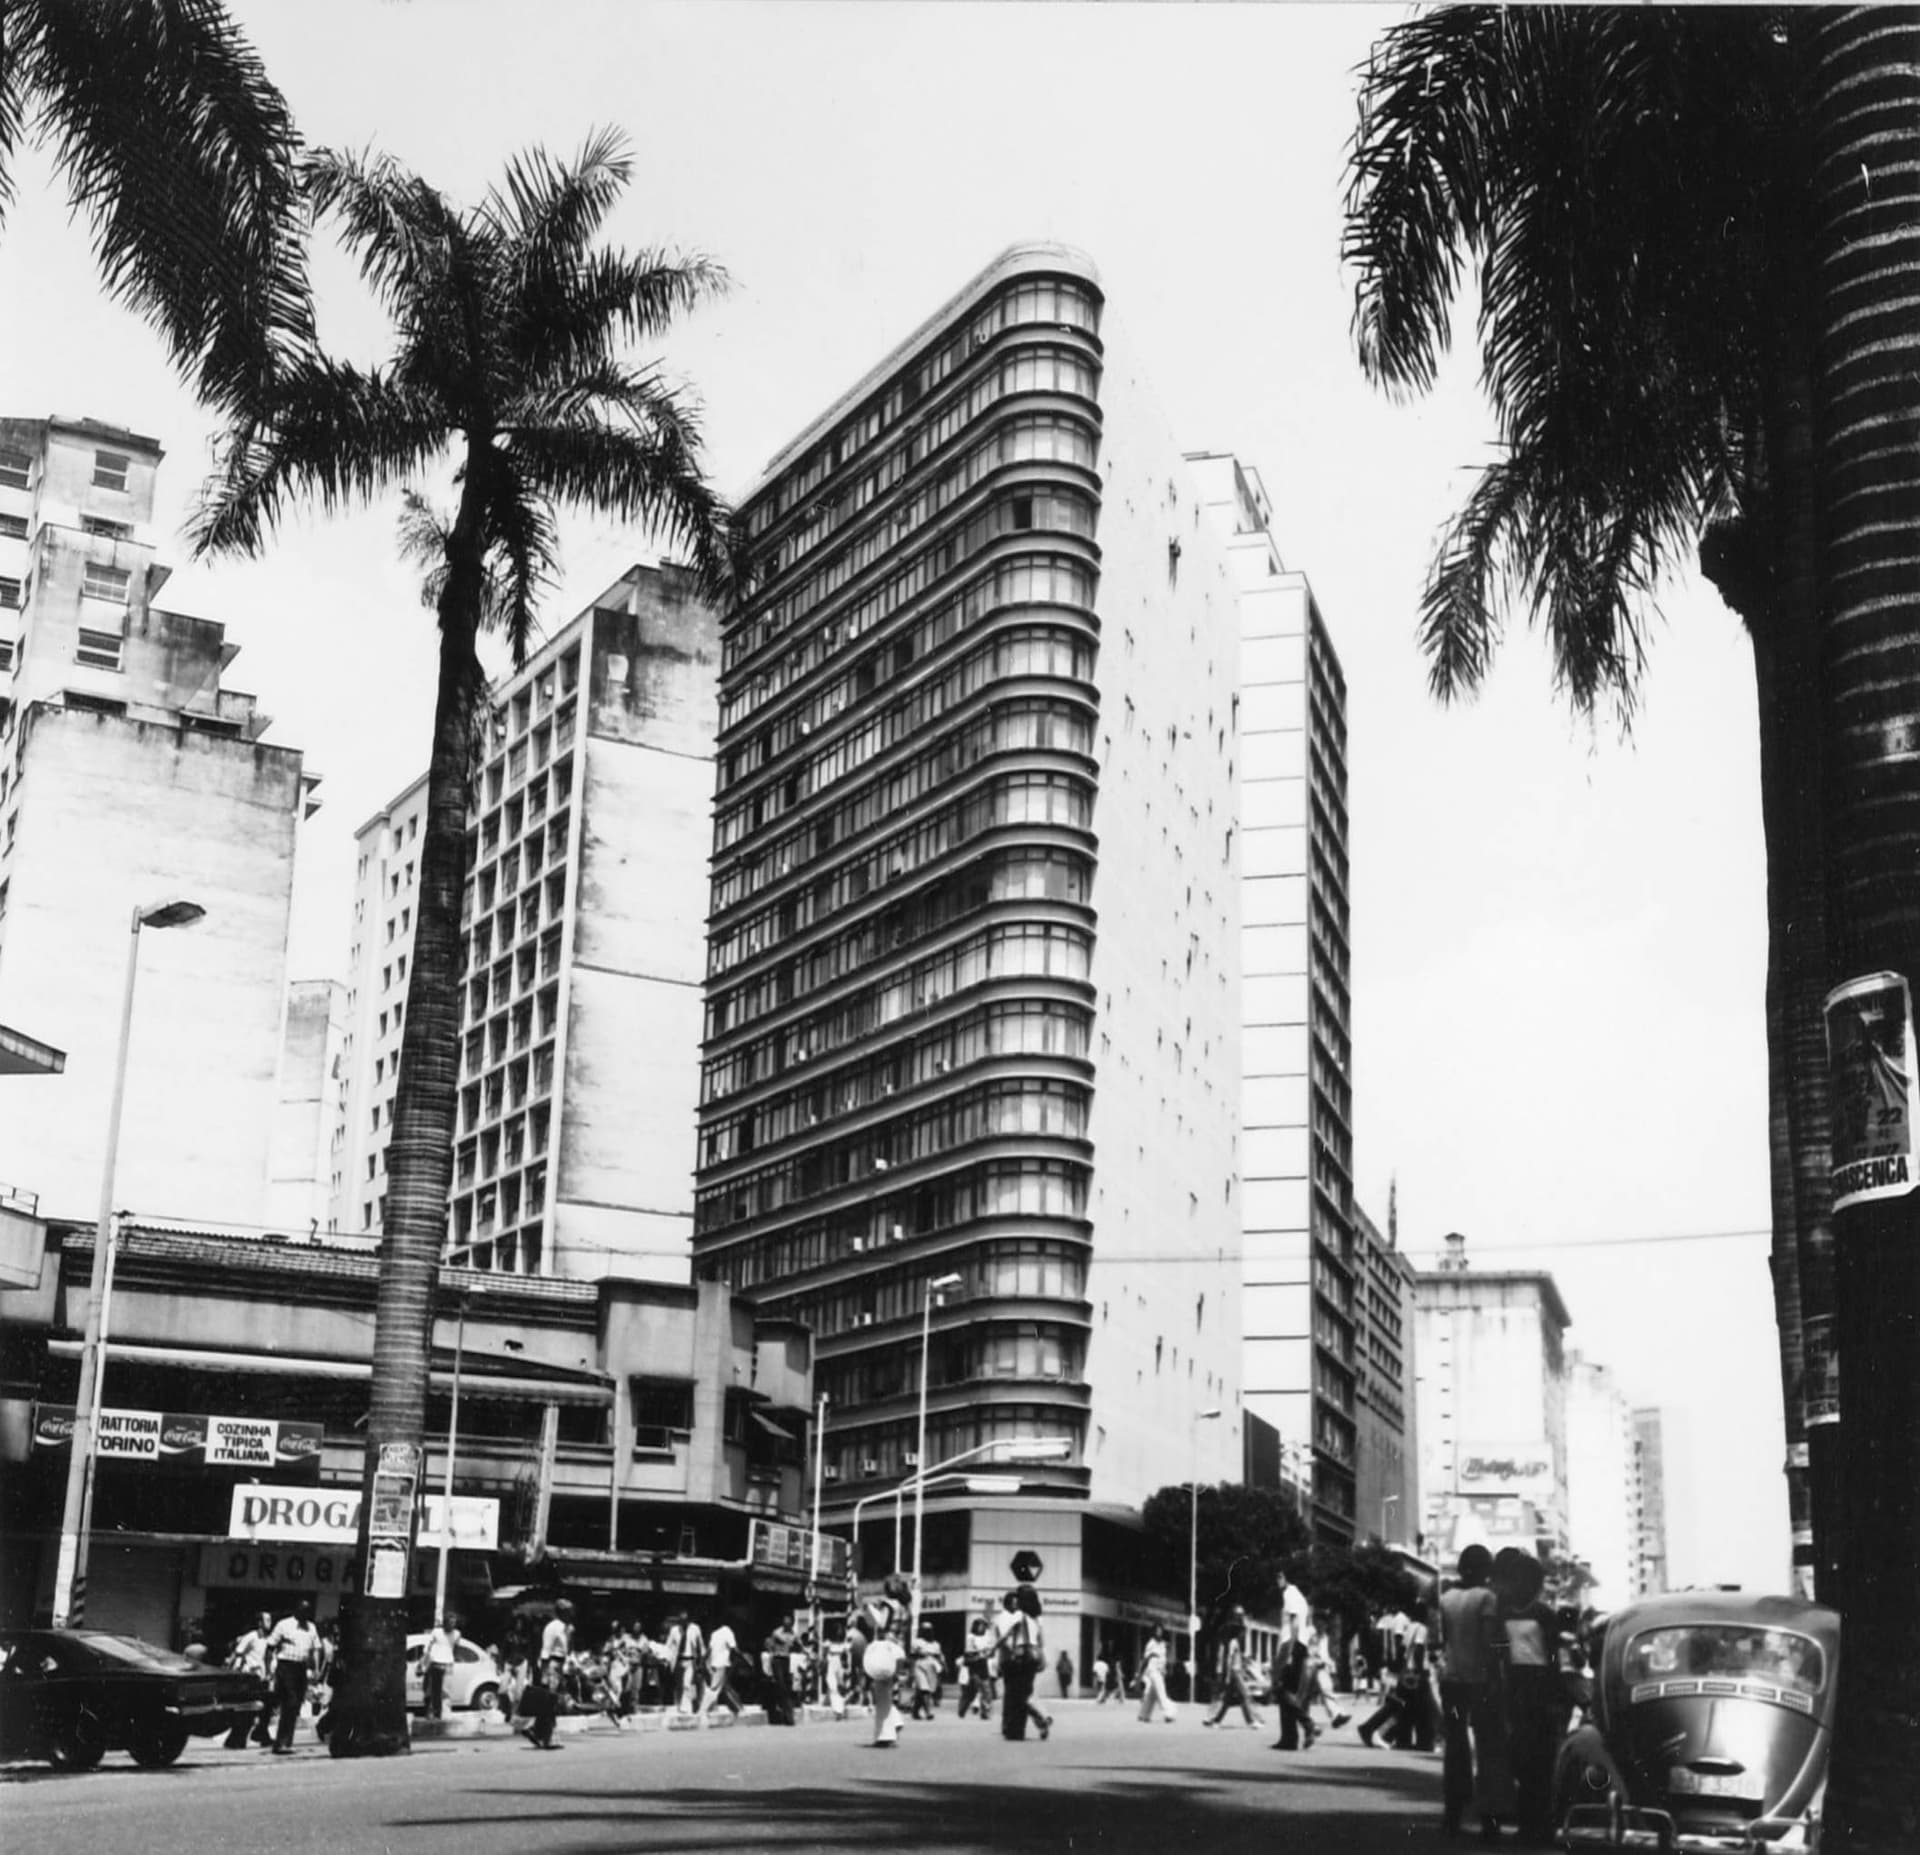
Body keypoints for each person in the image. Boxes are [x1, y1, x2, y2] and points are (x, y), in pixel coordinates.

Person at [1437, 1545, 1515, 1840]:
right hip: (1481, 1682)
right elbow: (1489, 1643)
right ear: (1486, 1571)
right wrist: (1498, 1675)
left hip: (1452, 1681)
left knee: (1455, 1746)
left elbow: (1445, 1640)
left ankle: (1452, 1813)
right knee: (1488, 1748)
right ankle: (1489, 1818)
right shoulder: (1487, 1598)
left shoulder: (1447, 1599)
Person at [1494, 1549, 1563, 1845]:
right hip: (1539, 1691)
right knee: (1540, 1761)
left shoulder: (1504, 1612)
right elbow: (1553, 1659)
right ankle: (1541, 1825)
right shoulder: (1544, 1614)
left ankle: (1529, 1823)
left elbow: (1498, 1655)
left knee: (1524, 1760)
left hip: (1516, 1689)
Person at [858, 1575, 912, 1747]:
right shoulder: (906, 1609)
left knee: (881, 1693)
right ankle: (895, 1720)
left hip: (885, 1649)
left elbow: (881, 1624)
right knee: (888, 1690)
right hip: (899, 1650)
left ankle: (885, 1735)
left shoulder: (888, 1605)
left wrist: (871, 1610)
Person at [994, 1586, 1052, 1741]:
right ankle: (1029, 1724)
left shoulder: (1018, 1615)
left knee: (1016, 1695)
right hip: (1033, 1657)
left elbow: (1006, 1636)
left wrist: (993, 1649)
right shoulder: (1038, 1618)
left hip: (1020, 1657)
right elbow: (1041, 1641)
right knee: (1025, 1691)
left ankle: (1027, 1725)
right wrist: (1042, 1657)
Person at [264, 1600, 320, 1755]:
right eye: (303, 1610)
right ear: (296, 1610)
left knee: (295, 1706)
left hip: (300, 1668)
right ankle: (280, 1743)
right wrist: (269, 1670)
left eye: (308, 1611)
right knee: (290, 1701)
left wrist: (315, 1669)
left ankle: (286, 1741)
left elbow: (315, 1649)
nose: (305, 1614)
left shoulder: (311, 1628)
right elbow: (270, 1647)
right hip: (286, 1667)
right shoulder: (284, 1625)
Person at [1202, 1608, 1265, 1729]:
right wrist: (1225, 1674)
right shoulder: (1232, 1639)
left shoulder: (1230, 1638)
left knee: (1227, 1700)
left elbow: (1228, 1657)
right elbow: (1228, 1658)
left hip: (1234, 1670)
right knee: (1244, 1694)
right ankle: (1252, 1721)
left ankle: (1215, 1720)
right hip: (1233, 1671)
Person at [226, 1611, 275, 1748]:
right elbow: (237, 1653)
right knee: (250, 1709)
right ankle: (236, 1739)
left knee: (266, 1708)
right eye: (267, 1620)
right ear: (259, 1622)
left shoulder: (269, 1639)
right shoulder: (251, 1637)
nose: (270, 1623)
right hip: (251, 1678)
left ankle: (261, 1733)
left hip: (264, 1678)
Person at [697, 1613, 743, 1719]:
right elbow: (734, 1648)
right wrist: (743, 1658)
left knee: (725, 1688)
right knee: (714, 1689)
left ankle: (739, 1709)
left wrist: (702, 1662)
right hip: (722, 1663)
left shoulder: (714, 1634)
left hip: (714, 1664)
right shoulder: (727, 1631)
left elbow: (709, 1650)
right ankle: (702, 1711)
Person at [1137, 1624, 1178, 1724]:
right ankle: (1169, 1714)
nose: (1159, 1632)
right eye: (1157, 1630)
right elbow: (1145, 1660)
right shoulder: (1151, 1644)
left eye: (1160, 1630)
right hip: (1153, 1671)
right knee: (1161, 1691)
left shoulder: (1163, 1644)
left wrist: (1165, 1669)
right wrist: (1139, 1674)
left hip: (1160, 1672)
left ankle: (1143, 1715)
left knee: (1152, 1695)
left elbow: (1164, 1659)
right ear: (1153, 1631)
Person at [420, 1618, 457, 1720]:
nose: (452, 1625)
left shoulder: (457, 1634)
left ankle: (443, 1713)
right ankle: (432, 1712)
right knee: (432, 1690)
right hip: (435, 1663)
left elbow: (456, 1648)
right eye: (451, 1623)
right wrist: (424, 1661)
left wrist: (452, 1658)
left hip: (448, 1664)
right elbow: (428, 1647)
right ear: (445, 1623)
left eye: (454, 1623)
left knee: (445, 1691)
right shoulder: (437, 1632)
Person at [540, 1600, 574, 1694]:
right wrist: (544, 1672)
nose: (571, 1614)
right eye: (568, 1611)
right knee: (553, 1691)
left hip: (566, 1664)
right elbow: (546, 1649)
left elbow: (569, 1647)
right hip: (554, 1662)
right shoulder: (552, 1627)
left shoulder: (569, 1627)